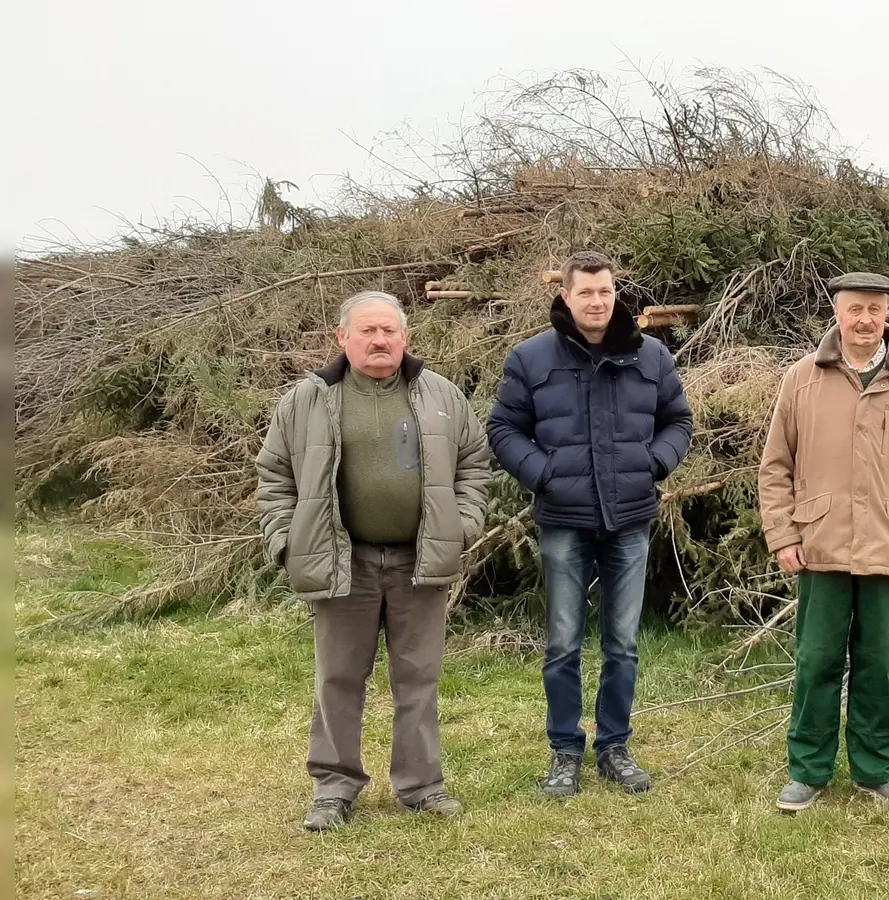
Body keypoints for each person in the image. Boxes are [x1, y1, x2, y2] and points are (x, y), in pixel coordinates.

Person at [255, 290, 492, 832]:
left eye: (389, 330)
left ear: (405, 337)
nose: (379, 340)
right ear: (342, 337)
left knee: (419, 679)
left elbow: (474, 465)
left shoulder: (441, 395)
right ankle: (334, 789)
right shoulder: (307, 400)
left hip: (420, 560)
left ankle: (422, 788)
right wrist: (287, 541)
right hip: (344, 562)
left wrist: (461, 527)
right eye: (367, 330)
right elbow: (274, 475)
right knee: (338, 678)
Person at [488, 250, 693, 797]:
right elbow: (504, 428)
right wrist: (545, 474)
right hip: (564, 518)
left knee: (622, 643)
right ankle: (565, 752)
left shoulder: (651, 354)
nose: (596, 302)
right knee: (563, 643)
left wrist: (652, 464)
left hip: (629, 517)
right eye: (585, 292)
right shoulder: (531, 358)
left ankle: (615, 748)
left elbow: (678, 420)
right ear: (566, 296)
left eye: (605, 291)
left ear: (614, 293)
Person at [758, 272, 889, 813]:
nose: (865, 320)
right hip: (820, 543)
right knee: (816, 660)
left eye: (875, 310)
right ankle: (808, 770)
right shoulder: (803, 379)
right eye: (855, 310)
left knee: (878, 662)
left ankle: (877, 768)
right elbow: (775, 467)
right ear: (837, 313)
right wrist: (783, 534)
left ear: (888, 314)